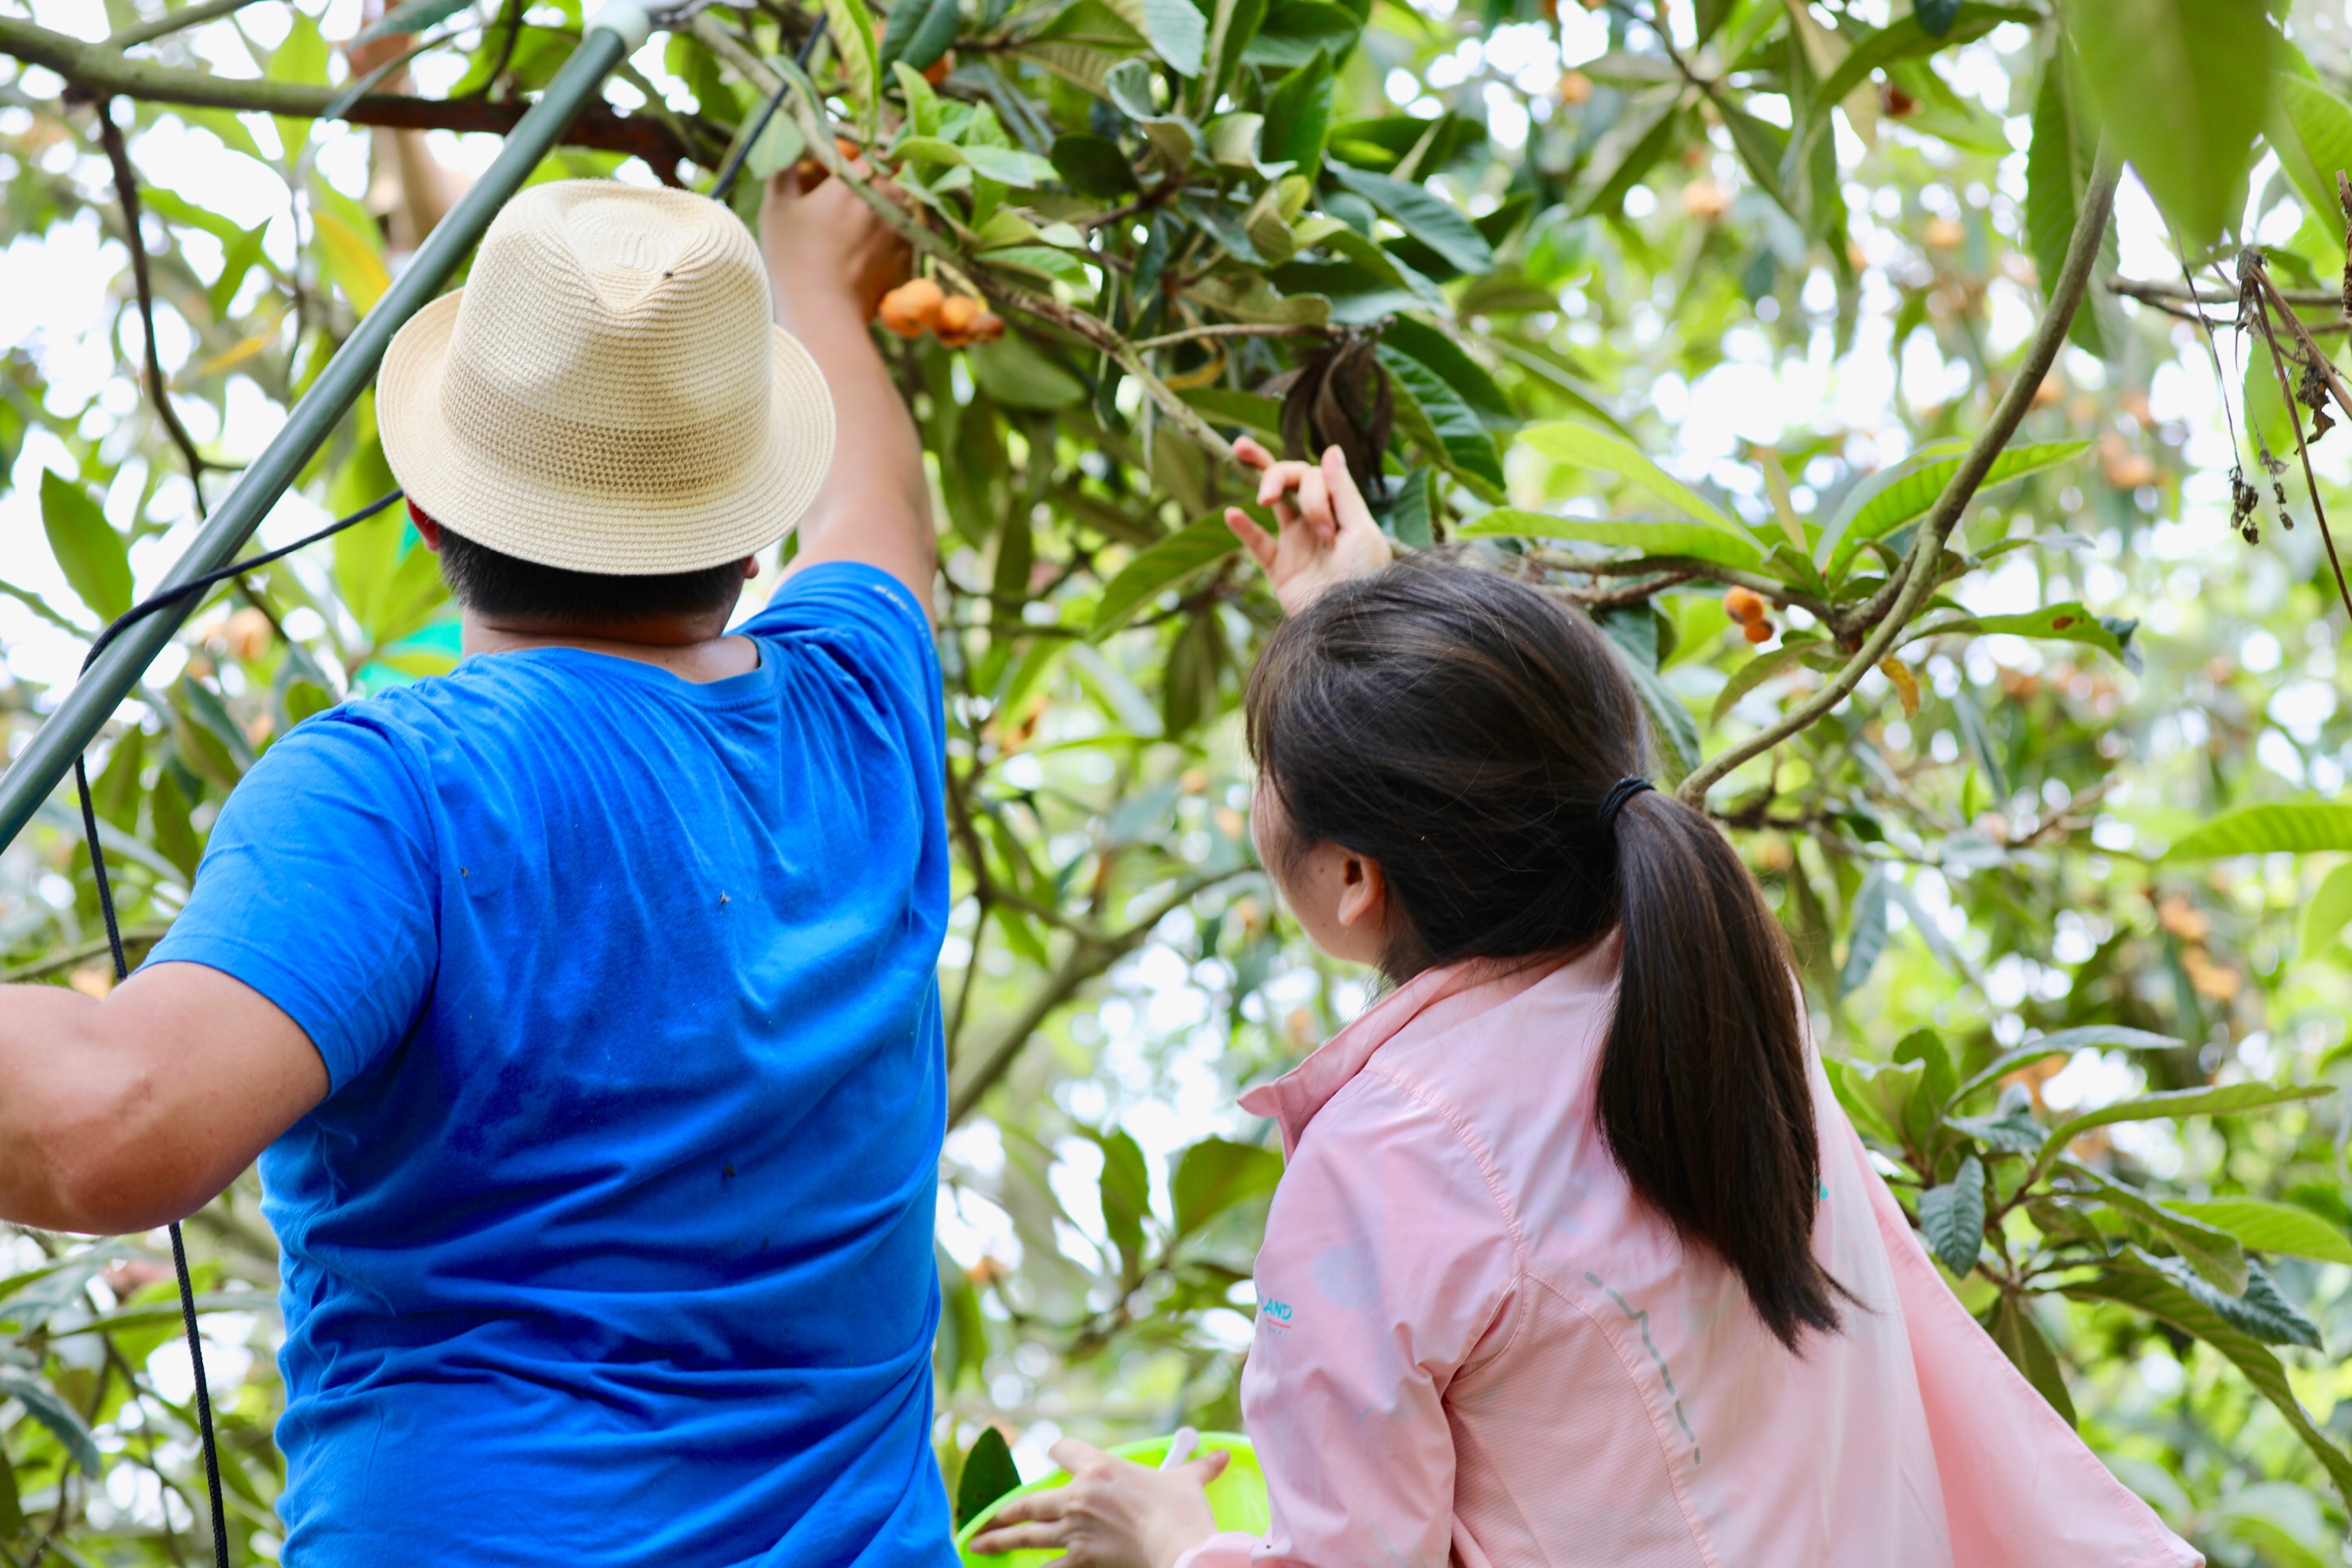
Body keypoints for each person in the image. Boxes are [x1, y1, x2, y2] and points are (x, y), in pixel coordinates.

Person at [969, 442, 2205, 1568]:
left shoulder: (1382, 1170)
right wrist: (1361, 623)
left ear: (1352, 879)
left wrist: (1174, 1542)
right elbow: (1527, 777)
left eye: (1263, 772)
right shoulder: (1724, 983)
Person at [0, 169, 961, 1564]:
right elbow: (881, 512)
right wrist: (818, 281)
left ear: (427, 511)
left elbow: (107, 1126)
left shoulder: (395, 788)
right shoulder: (863, 709)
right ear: (755, 531)